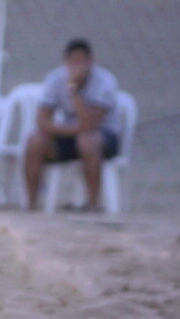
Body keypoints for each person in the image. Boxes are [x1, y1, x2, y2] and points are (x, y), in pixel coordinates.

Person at [23, 38, 122, 213]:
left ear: (91, 62)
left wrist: (73, 90)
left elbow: (91, 122)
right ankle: (31, 205)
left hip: (103, 138)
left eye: (82, 61)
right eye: (73, 61)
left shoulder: (105, 81)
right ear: (66, 62)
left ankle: (92, 204)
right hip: (71, 134)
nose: (78, 66)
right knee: (35, 140)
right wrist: (70, 131)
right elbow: (42, 120)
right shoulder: (55, 78)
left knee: (87, 140)